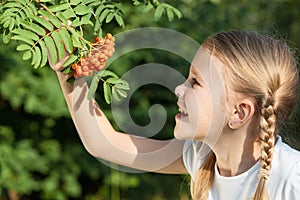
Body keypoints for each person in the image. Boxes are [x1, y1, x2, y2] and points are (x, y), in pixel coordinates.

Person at [50, 31, 300, 200]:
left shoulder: (291, 178)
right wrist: (69, 71)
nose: (180, 89)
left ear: (239, 112)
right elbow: (104, 143)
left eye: (195, 82)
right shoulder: (200, 156)